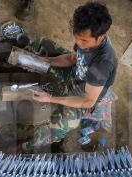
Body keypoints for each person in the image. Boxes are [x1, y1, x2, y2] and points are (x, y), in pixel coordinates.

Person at [22, 2, 118, 152]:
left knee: (54, 129)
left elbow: (87, 101)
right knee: (42, 44)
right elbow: (72, 59)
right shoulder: (85, 40)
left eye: (84, 41)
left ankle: (25, 147)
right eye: (77, 38)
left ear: (100, 37)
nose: (79, 44)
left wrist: (49, 98)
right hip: (73, 74)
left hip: (81, 95)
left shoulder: (102, 64)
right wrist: (43, 62)